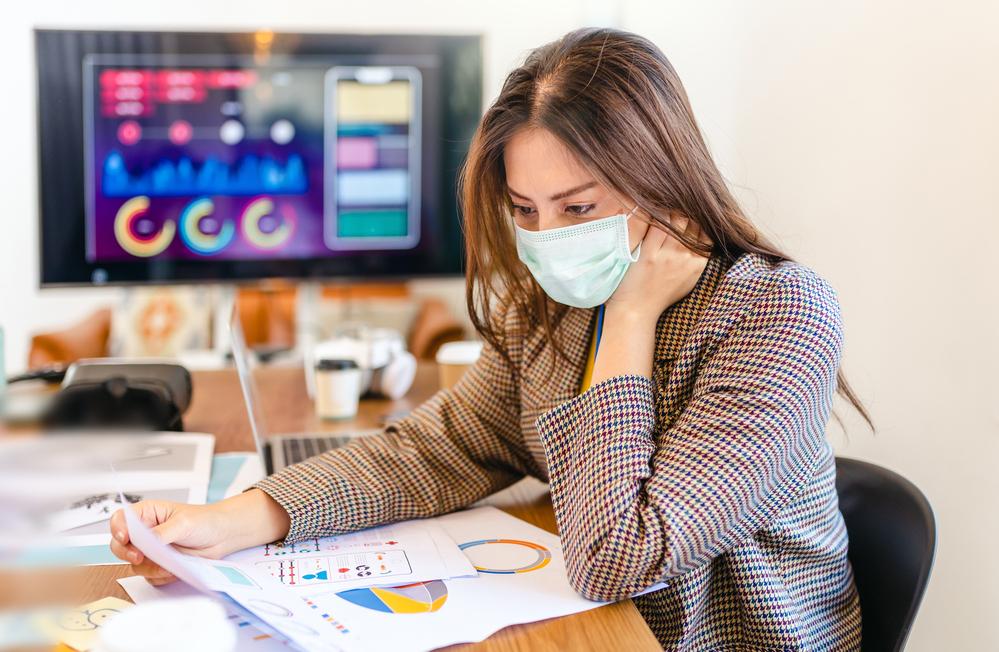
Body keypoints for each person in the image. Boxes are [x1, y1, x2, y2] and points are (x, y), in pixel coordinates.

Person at [110, 27, 867, 650]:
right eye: (525, 209)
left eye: (577, 209)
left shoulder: (779, 314)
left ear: (661, 178)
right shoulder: (549, 308)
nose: (547, 239)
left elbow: (619, 557)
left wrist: (630, 322)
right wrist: (232, 519)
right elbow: (435, 451)